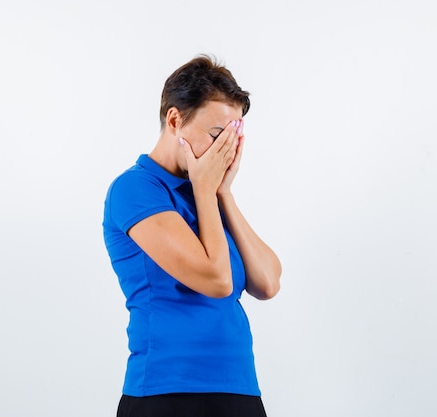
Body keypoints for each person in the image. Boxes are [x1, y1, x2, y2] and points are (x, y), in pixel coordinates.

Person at [102, 55, 282, 417]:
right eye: (217, 135)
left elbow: (267, 282)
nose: (225, 151)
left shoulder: (210, 196)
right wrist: (204, 189)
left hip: (238, 389)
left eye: (234, 138)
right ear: (175, 120)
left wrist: (222, 194)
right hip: (167, 393)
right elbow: (216, 280)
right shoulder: (135, 189)